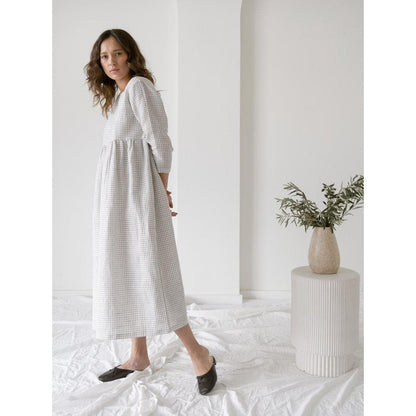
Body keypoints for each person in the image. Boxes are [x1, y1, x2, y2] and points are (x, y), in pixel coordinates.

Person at [84, 28, 217, 395]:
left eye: (117, 53)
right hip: (117, 198)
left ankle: (199, 354)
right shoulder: (118, 96)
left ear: (130, 55)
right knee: (129, 268)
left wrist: (160, 190)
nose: (111, 62)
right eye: (104, 56)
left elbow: (160, 141)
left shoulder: (139, 88)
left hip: (137, 195)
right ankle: (138, 355)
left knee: (153, 272)